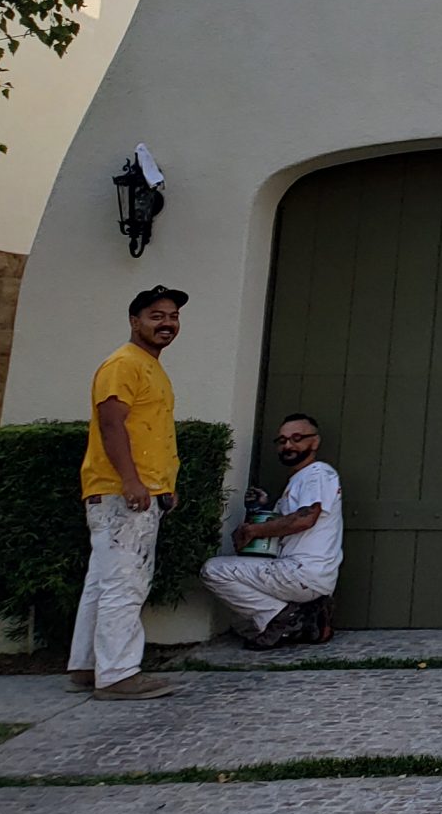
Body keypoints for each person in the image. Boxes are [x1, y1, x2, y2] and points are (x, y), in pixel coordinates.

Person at [69, 286, 188, 699]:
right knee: (126, 582)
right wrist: (132, 481)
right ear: (135, 322)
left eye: (172, 316)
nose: (167, 324)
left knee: (103, 582)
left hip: (138, 490)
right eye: (156, 316)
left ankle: (87, 666)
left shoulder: (148, 366)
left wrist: (163, 485)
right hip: (121, 494)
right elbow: (111, 423)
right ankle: (118, 674)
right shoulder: (123, 364)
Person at [200, 414, 342, 649]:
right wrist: (259, 509)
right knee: (240, 624)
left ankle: (286, 618)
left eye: (297, 438)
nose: (288, 445)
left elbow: (305, 519)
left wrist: (255, 530)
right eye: (282, 440)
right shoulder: (299, 480)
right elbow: (283, 527)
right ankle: (308, 619)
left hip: (303, 571)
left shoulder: (317, 473)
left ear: (315, 442)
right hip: (299, 574)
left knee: (212, 571)